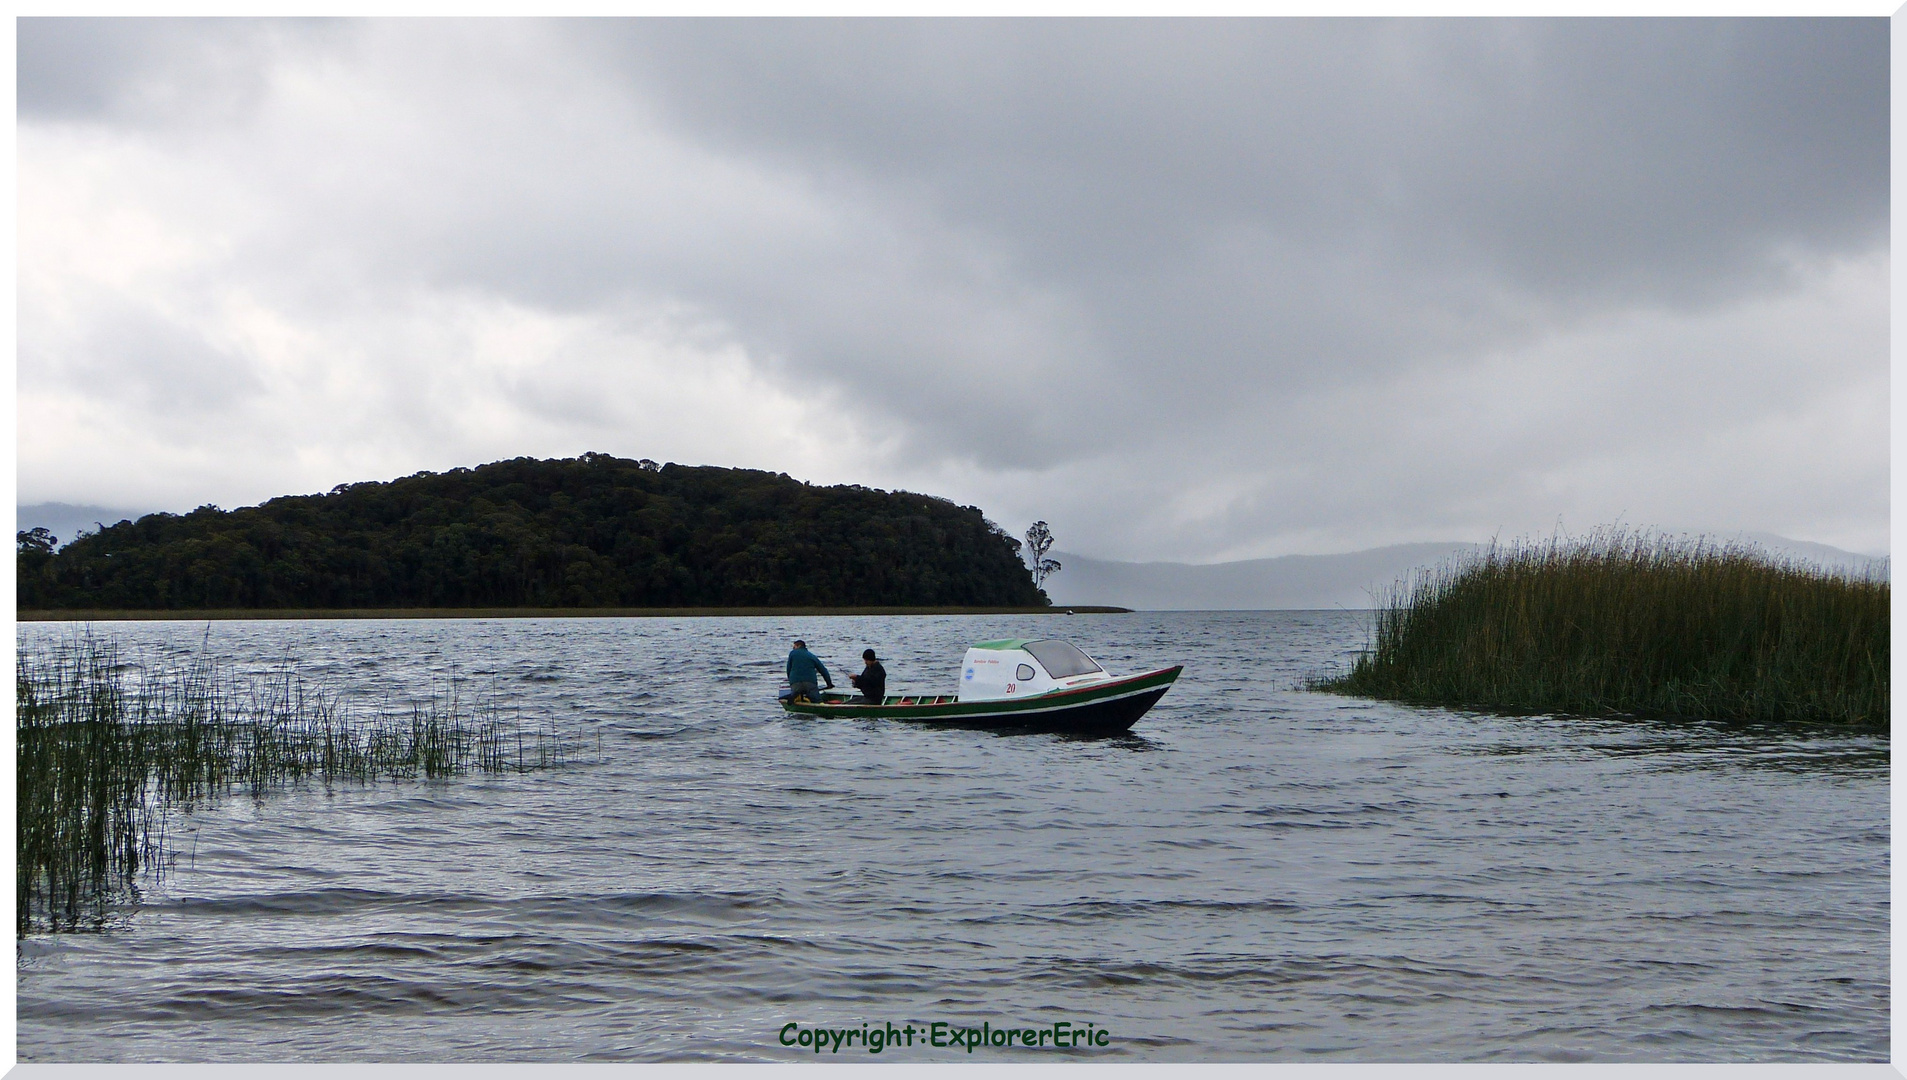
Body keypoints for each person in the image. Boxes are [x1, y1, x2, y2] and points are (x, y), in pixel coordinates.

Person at [786, 639, 832, 703]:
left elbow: (788, 669)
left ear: (798, 646)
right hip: (810, 683)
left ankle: (794, 698)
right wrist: (829, 684)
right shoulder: (812, 656)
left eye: (794, 647)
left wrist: (791, 681)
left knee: (795, 697)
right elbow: (823, 671)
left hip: (795, 683)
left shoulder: (792, 653)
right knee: (817, 701)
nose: (793, 649)